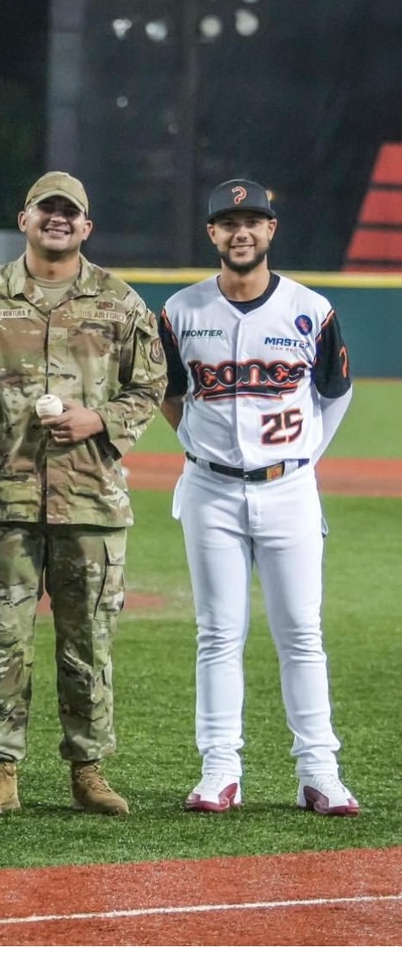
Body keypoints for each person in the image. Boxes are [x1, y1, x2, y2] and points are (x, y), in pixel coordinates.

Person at [0, 172, 167, 816]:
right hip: (5, 497)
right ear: (24, 219)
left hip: (91, 499)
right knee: (3, 637)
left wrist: (101, 420)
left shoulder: (120, 302)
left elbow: (149, 389)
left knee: (88, 639)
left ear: (86, 227)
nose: (57, 220)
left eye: (70, 213)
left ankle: (88, 768)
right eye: (45, 210)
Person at [158, 179, 358, 816]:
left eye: (253, 220)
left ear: (271, 231)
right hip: (210, 489)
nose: (241, 231)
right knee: (218, 632)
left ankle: (319, 771)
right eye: (228, 221)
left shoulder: (311, 309)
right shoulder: (180, 311)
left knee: (302, 631)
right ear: (212, 233)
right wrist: (196, 442)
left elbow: (336, 390)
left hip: (290, 489)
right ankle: (220, 768)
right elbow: (168, 392)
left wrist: (304, 461)